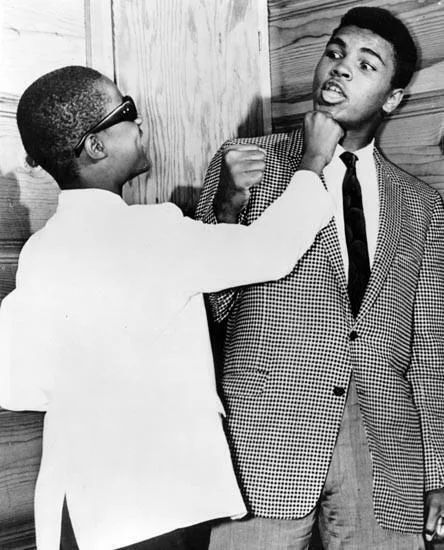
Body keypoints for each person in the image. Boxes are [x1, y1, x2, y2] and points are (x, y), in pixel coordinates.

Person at [0, 66, 338, 550]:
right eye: (127, 111)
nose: (140, 124)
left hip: (79, 512)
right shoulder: (155, 231)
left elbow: (19, 385)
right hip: (147, 511)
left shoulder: (41, 252)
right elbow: (271, 250)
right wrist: (314, 158)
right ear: (96, 147)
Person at [195, 6, 444, 550]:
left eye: (365, 63)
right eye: (334, 52)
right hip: (264, 441)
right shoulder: (247, 164)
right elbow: (210, 308)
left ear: (393, 98)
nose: (340, 69)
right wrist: (228, 206)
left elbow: (430, 351)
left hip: (384, 454)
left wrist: (441, 472)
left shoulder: (423, 207)